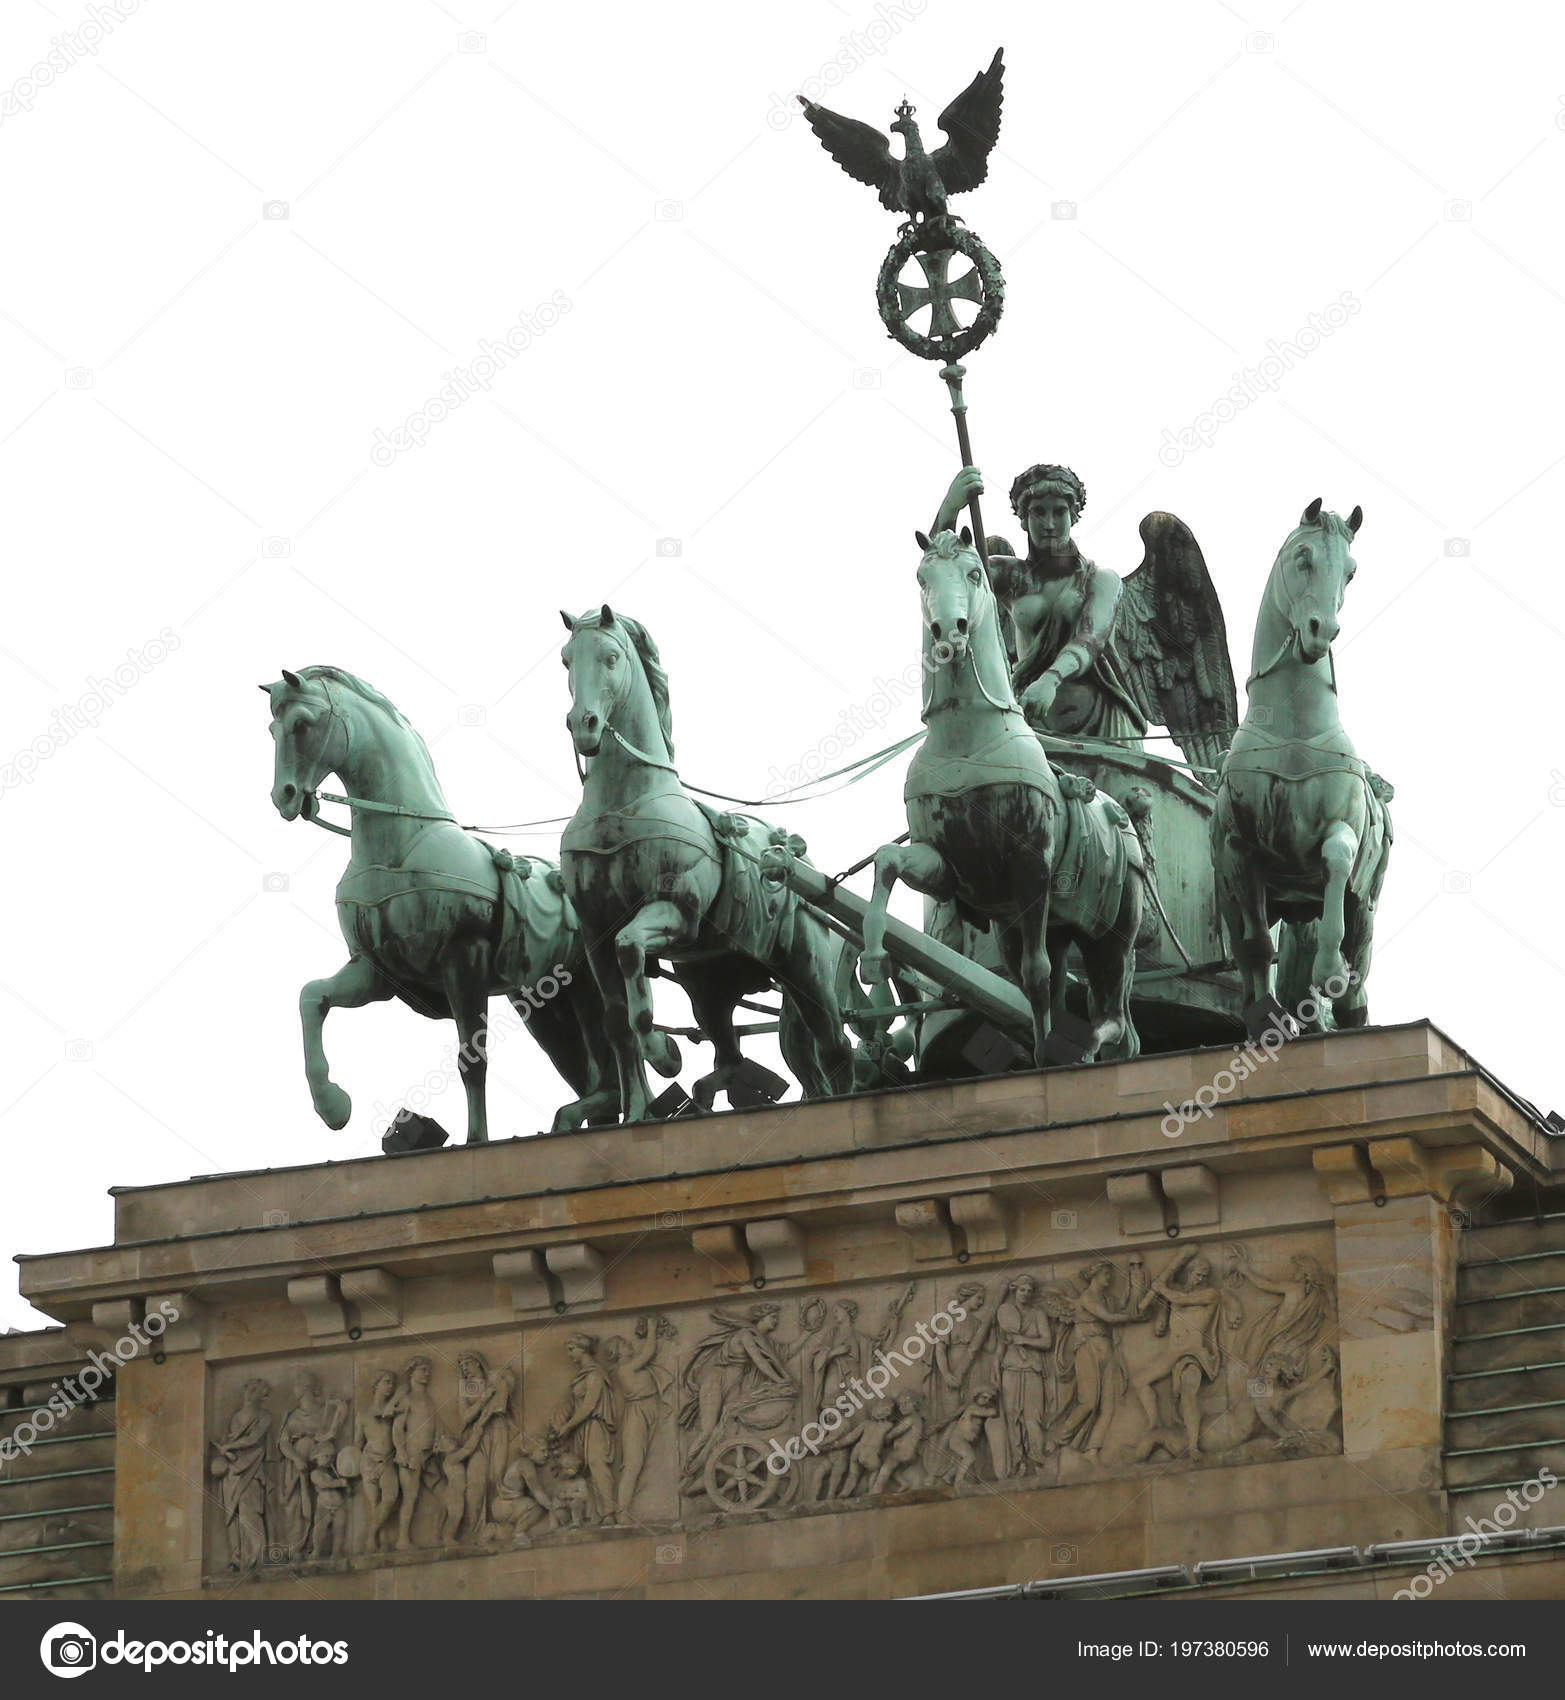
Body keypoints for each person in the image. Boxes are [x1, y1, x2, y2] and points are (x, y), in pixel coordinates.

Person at [932, 462, 1146, 743]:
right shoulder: (1008, 575)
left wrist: (1050, 680)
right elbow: (943, 568)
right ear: (1023, 519)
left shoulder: (1101, 580)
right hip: (1029, 722)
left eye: (1059, 512)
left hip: (1102, 725)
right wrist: (950, 508)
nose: (1048, 524)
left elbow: (1089, 639)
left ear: (1074, 516)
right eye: (1038, 512)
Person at [551, 1333, 617, 1524]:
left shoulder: (595, 1374)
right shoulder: (581, 1376)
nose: (569, 1354)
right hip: (580, 1429)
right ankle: (590, 1515)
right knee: (583, 1470)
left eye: (572, 1349)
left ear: (583, 1349)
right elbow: (575, 1406)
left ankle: (609, 1512)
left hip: (594, 1426)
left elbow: (588, 1406)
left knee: (597, 1465)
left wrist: (568, 1426)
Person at [211, 1378, 271, 1571]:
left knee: (249, 1512)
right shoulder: (235, 1417)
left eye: (253, 1390)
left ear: (259, 1395)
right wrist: (224, 1452)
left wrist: (230, 1445)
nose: (248, 1394)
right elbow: (226, 1439)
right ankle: (237, 1558)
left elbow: (254, 1439)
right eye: (247, 1389)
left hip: (251, 1469)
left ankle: (259, 1554)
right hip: (232, 1472)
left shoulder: (264, 1416)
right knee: (232, 1515)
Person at [354, 1369, 400, 1552]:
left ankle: (371, 1535)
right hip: (369, 1460)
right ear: (376, 1385)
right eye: (386, 1382)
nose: (390, 1386)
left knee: (390, 1498)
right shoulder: (363, 1413)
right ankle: (382, 1540)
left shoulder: (394, 1409)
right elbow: (358, 1443)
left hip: (388, 1460)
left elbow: (404, 1388)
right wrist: (359, 1467)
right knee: (374, 1503)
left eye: (391, 1383)